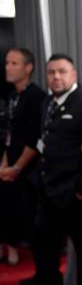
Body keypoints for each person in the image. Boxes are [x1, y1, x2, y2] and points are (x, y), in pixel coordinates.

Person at [16, 54, 82, 285]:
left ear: (74, 75)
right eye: (52, 72)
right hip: (47, 192)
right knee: (44, 249)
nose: (56, 77)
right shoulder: (48, 103)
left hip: (75, 195)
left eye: (62, 72)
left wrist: (80, 190)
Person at [0, 48, 45, 265]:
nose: (8, 67)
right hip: (10, 165)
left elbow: (34, 139)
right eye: (7, 63)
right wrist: (4, 164)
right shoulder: (11, 96)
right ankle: (8, 247)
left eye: (14, 63)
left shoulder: (37, 97)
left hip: (29, 170)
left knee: (27, 216)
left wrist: (16, 167)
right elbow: (9, 134)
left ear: (28, 68)